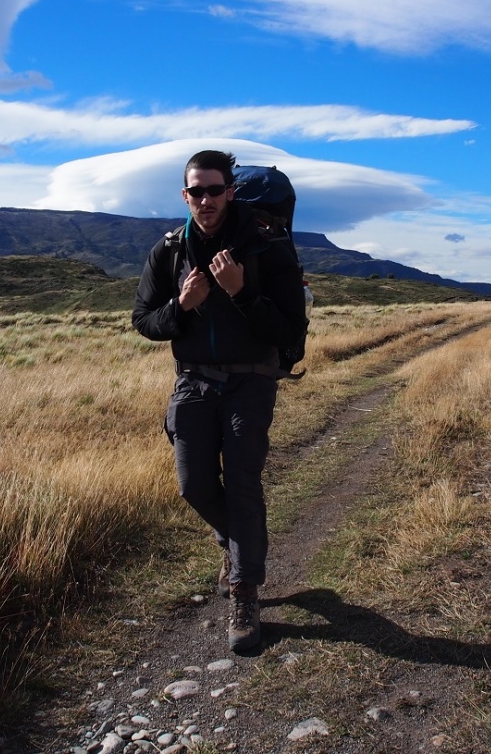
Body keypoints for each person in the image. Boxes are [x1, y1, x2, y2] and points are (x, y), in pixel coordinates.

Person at [132, 149, 308, 652]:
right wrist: (180, 307)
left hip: (250, 380)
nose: (205, 200)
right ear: (184, 195)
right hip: (192, 383)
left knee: (243, 483)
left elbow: (290, 329)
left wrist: (241, 292)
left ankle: (244, 592)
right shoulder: (168, 251)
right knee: (193, 486)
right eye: (196, 191)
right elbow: (144, 321)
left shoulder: (265, 247)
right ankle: (239, 550)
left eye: (214, 190)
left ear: (230, 192)